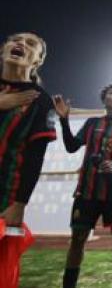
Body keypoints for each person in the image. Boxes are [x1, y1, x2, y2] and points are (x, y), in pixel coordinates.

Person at [55, 84, 112, 288]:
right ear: (104, 99)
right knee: (78, 238)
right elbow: (71, 147)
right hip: (88, 190)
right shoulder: (92, 123)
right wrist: (63, 120)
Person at [0, 32, 56, 226]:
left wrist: (20, 204)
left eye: (31, 44)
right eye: (16, 40)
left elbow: (34, 157)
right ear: (3, 49)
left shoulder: (40, 100)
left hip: (4, 195)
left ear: (38, 61)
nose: (21, 43)